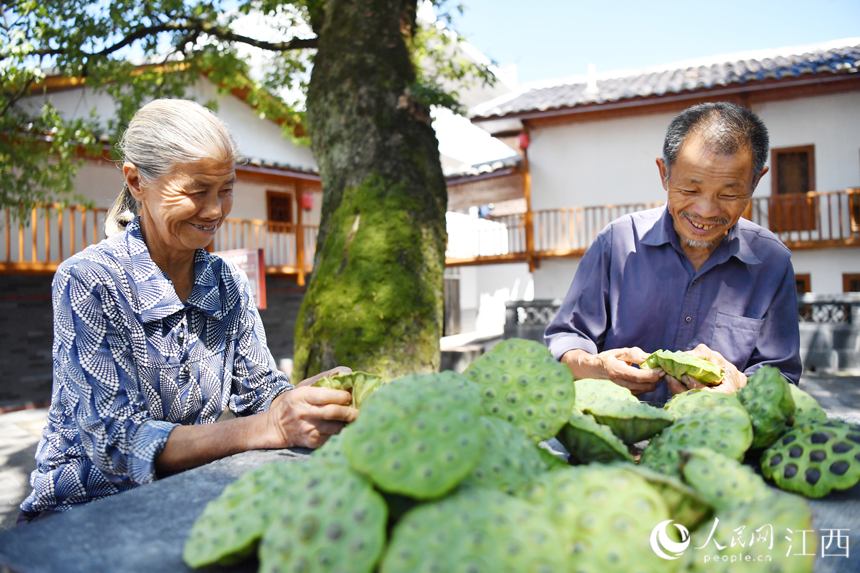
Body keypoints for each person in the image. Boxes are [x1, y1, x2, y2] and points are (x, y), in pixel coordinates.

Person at [18, 99, 357, 524]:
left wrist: (307, 401)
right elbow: (116, 443)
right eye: (197, 191)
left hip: (182, 505)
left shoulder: (226, 281)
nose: (215, 210)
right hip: (81, 519)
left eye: (226, 189)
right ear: (137, 181)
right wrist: (270, 426)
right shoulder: (89, 280)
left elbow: (261, 395)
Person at [545, 102, 801, 405]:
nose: (705, 212)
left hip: (717, 441)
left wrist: (738, 383)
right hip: (617, 437)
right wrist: (596, 366)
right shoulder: (618, 242)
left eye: (729, 194)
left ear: (756, 182)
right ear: (664, 173)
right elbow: (564, 341)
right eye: (690, 190)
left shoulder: (772, 262)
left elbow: (781, 377)